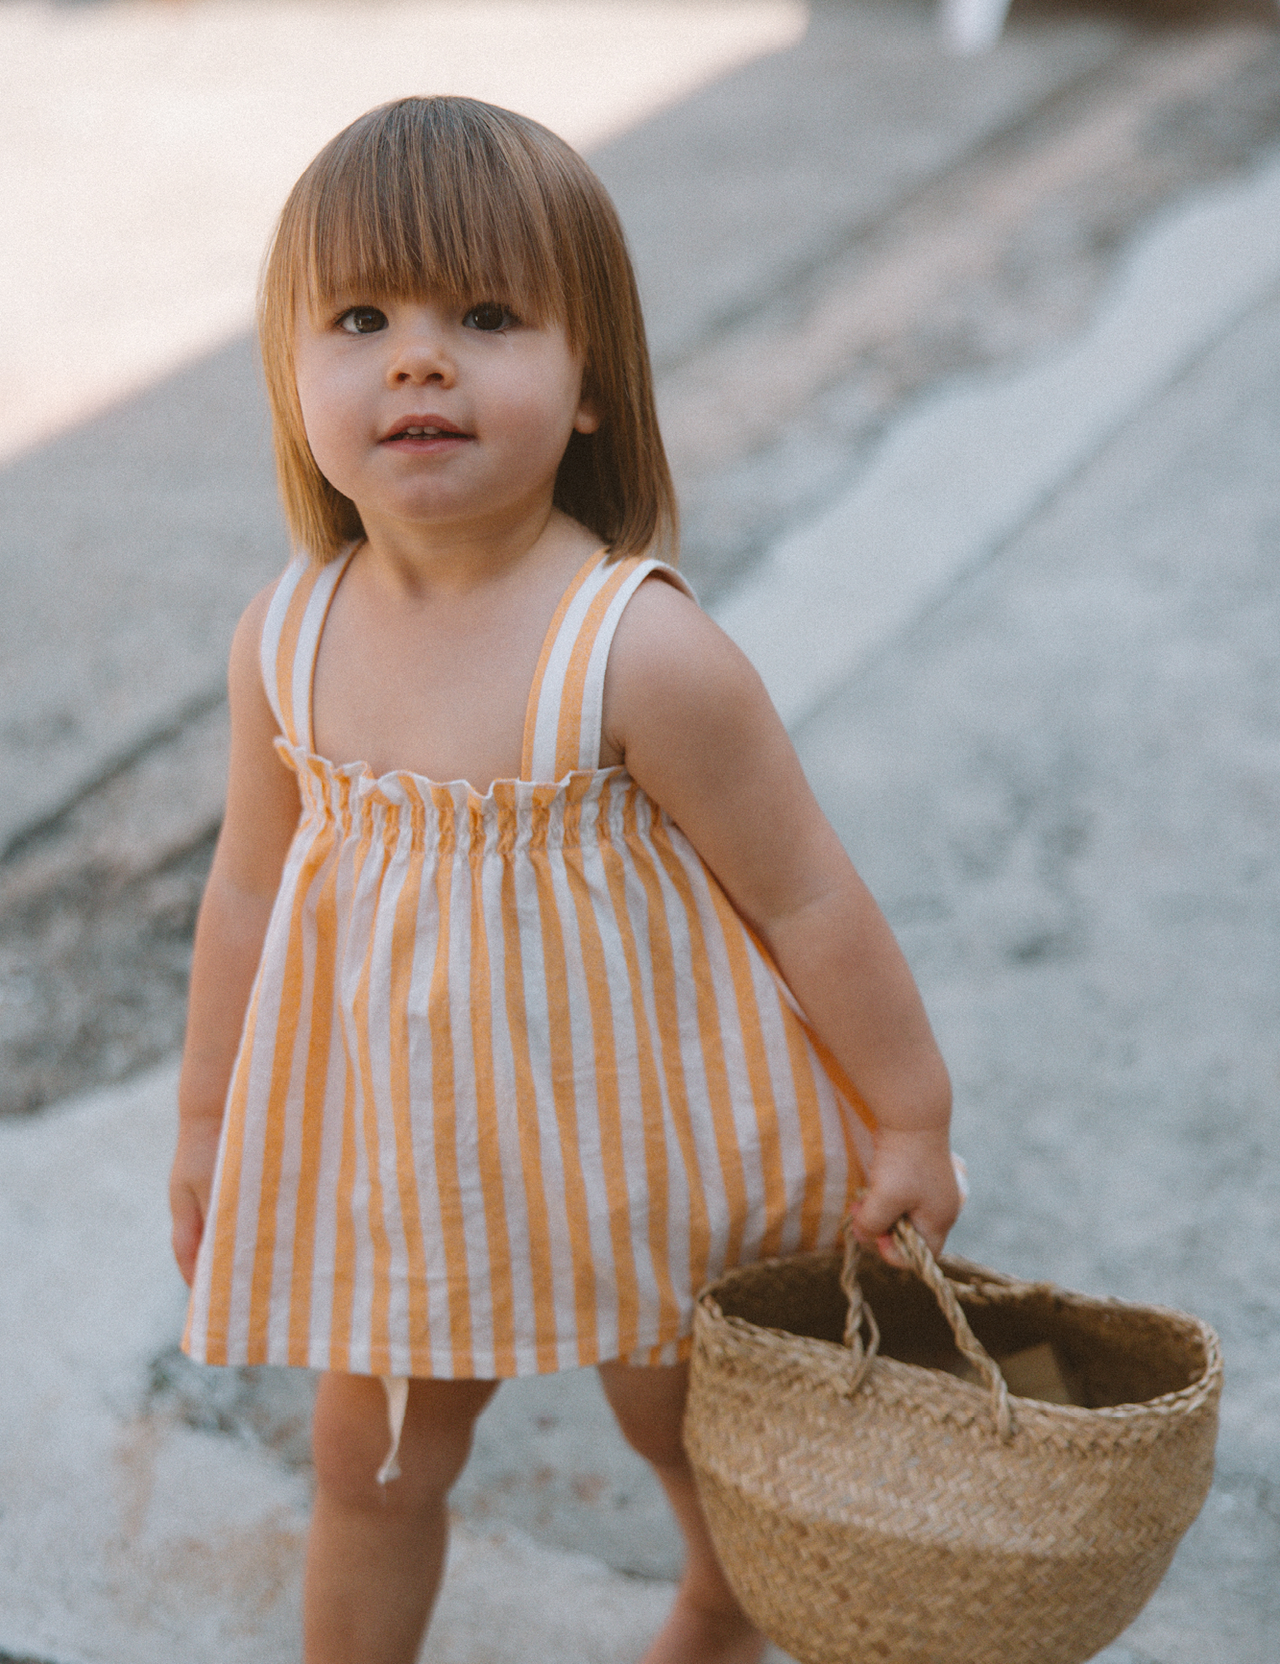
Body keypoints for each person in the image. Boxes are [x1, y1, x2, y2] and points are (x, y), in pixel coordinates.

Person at [169, 96, 960, 1664]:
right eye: (359, 317)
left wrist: (910, 1111)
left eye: (483, 314)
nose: (417, 357)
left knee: (690, 1435)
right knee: (370, 1460)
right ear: (291, 369)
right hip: (408, 1153)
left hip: (645, 1141)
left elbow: (805, 893)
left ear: (589, 381)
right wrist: (209, 1119)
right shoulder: (289, 636)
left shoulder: (637, 651)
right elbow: (248, 891)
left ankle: (719, 1611)